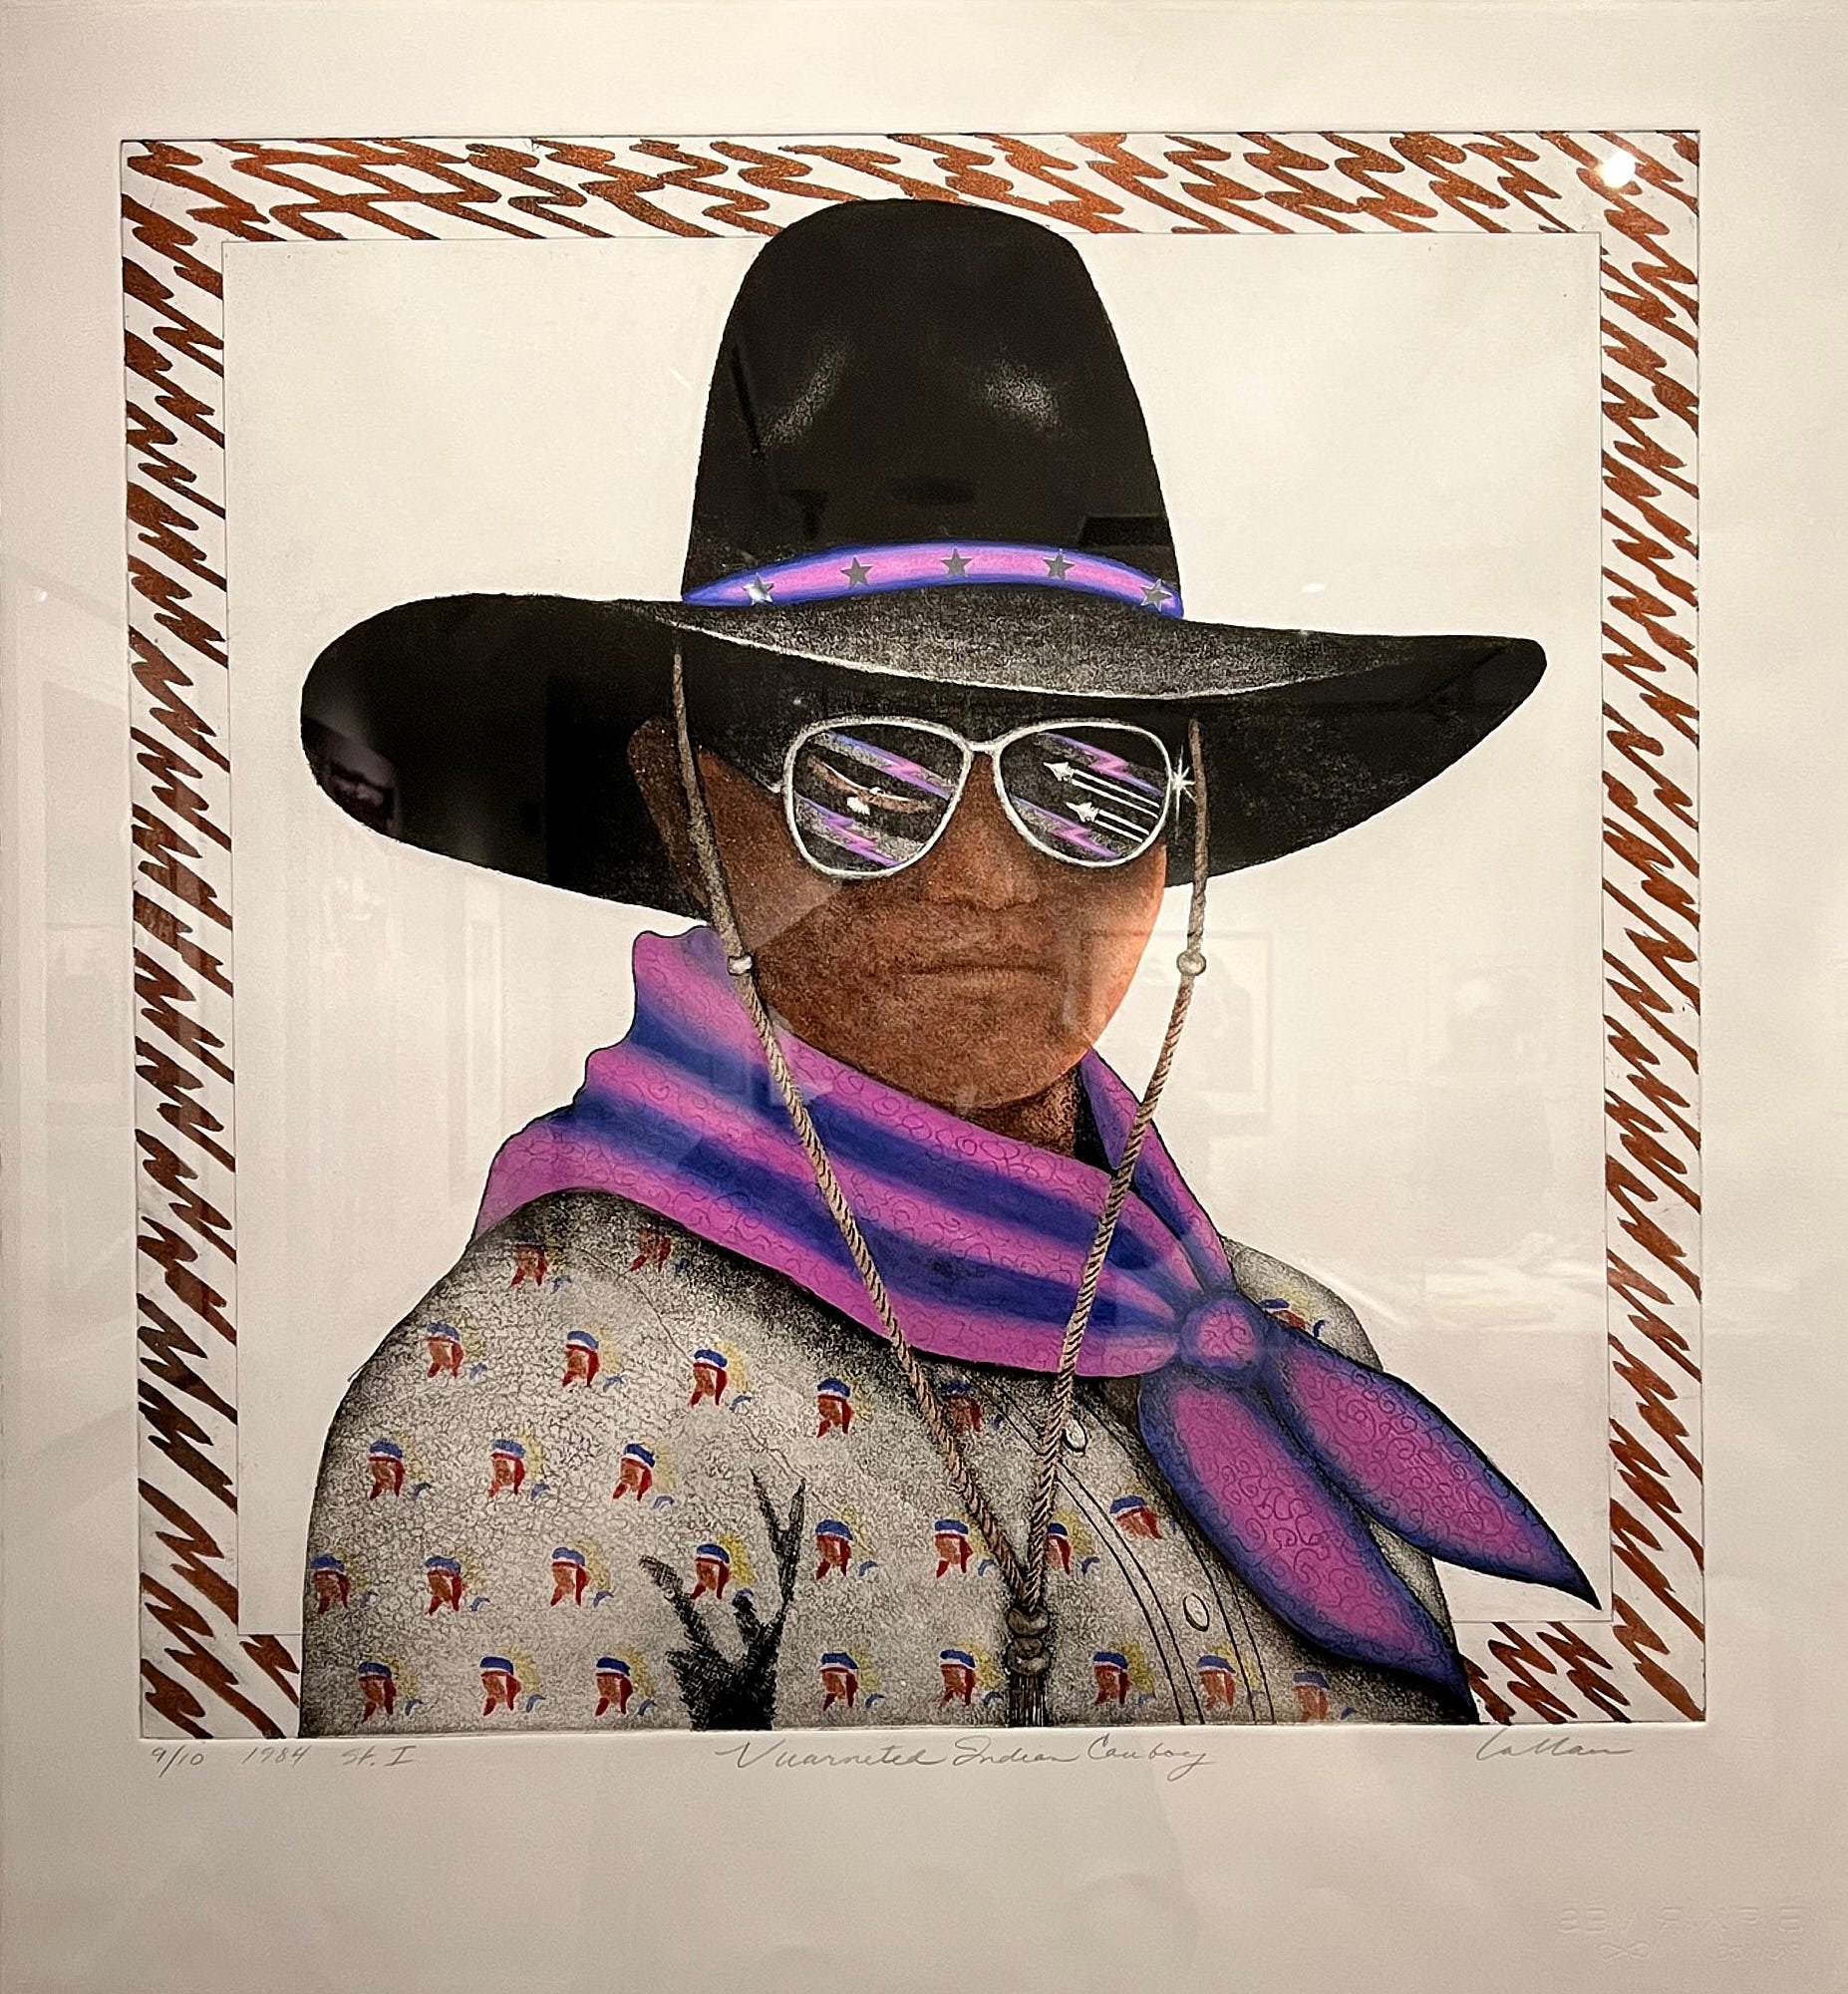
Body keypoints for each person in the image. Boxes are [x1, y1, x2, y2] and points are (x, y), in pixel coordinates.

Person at [295, 197, 1592, 1736]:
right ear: (689, 811)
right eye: (864, 781)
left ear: (1178, 829)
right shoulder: (534, 1385)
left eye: (1088, 784)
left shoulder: (1285, 1339)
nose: (982, 878)